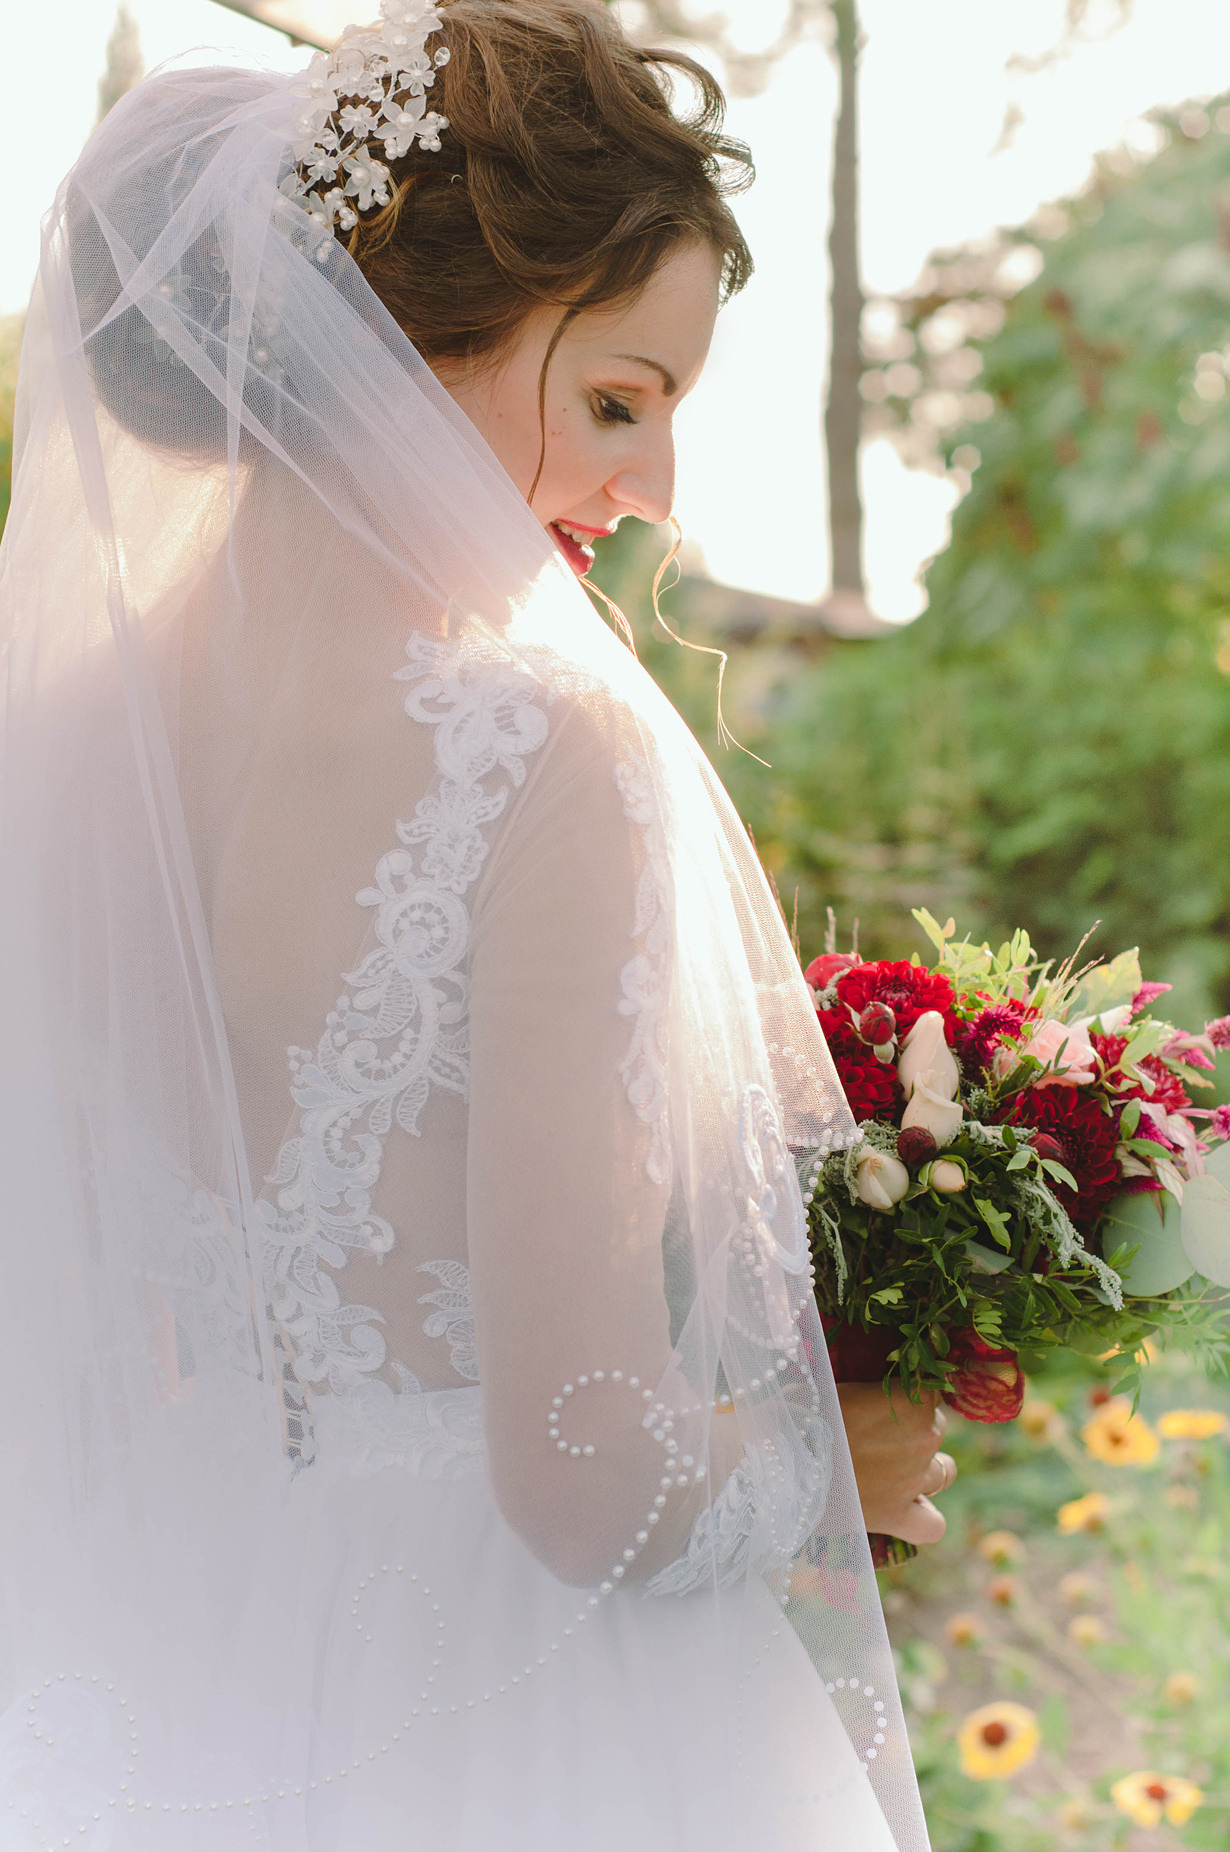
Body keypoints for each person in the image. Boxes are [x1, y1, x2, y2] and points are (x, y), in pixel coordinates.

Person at [0, 3, 943, 1846]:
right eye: (615, 399)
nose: (651, 491)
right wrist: (848, 1464)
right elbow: (586, 1466)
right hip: (516, 1701)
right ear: (402, 348)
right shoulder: (541, 758)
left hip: (175, 1640)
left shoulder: (62, 737)